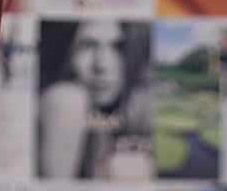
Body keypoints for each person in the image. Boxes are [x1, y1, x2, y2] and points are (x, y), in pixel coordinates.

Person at [38, 20, 152, 180]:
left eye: (117, 47)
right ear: (66, 51)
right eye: (88, 46)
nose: (102, 65)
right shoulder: (65, 98)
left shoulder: (138, 103)